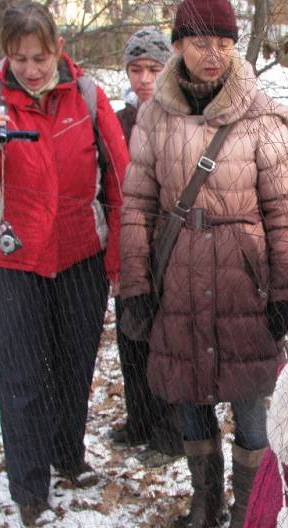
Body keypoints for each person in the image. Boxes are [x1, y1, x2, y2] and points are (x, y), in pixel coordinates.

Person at [119, 0, 288, 528]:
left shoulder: (260, 114)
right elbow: (136, 207)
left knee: (248, 402)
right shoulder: (155, 116)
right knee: (189, 394)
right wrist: (136, 285)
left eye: (223, 42)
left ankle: (249, 512)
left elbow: (284, 212)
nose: (213, 54)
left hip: (241, 285)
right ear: (177, 45)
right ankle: (205, 503)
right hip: (176, 276)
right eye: (199, 42)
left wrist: (286, 291)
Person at [0, 0, 129, 528]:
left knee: (74, 366)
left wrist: (115, 255)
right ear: (7, 55)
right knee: (22, 376)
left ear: (58, 50)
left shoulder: (87, 94)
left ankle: (67, 456)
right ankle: (29, 487)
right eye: (20, 57)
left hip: (79, 256)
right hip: (14, 257)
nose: (31, 68)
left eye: (40, 56)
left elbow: (120, 178)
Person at [108, 27, 185, 468]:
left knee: (165, 342)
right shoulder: (118, 119)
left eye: (152, 69)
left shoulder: (181, 118)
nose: (142, 78)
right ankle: (138, 420)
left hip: (170, 248)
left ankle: (169, 433)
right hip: (128, 247)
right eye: (135, 69)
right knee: (130, 336)